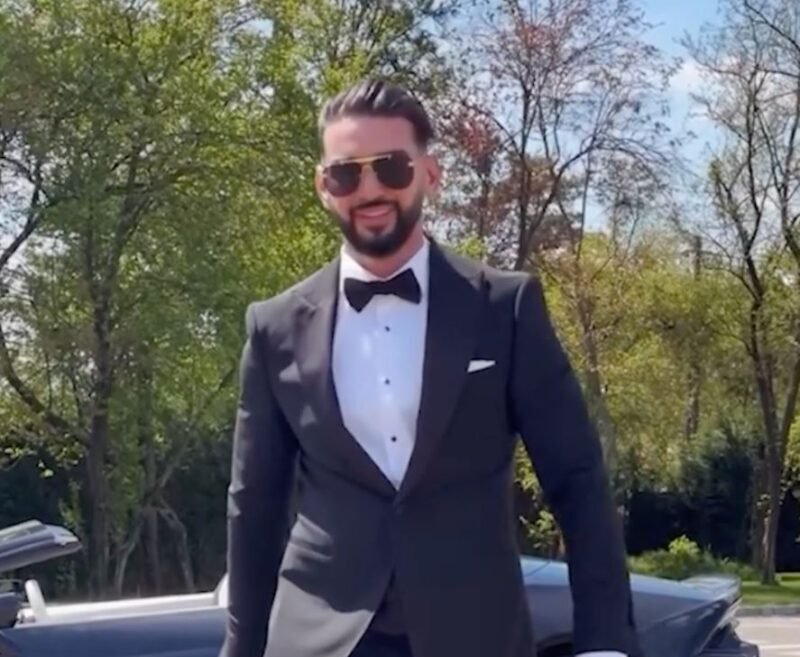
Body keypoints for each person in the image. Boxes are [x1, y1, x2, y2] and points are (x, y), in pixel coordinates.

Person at [219, 78, 641, 657]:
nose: (369, 189)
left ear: (430, 175)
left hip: (477, 634)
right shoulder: (274, 327)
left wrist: (606, 641)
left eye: (391, 167)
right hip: (323, 640)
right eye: (347, 173)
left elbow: (577, 479)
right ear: (323, 187)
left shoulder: (505, 307)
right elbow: (254, 506)